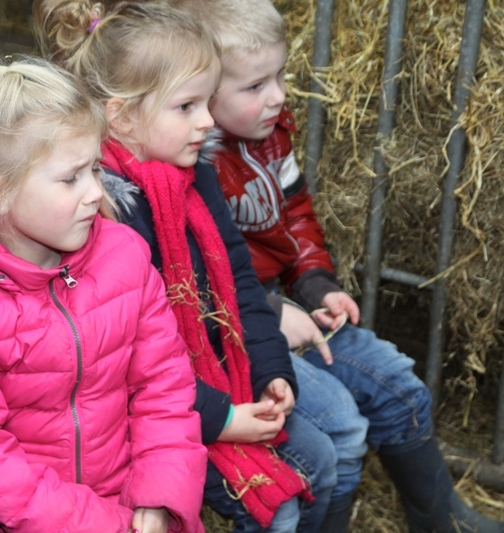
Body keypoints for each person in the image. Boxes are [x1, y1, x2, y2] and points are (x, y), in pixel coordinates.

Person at [175, 0, 504, 531]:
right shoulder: (193, 164)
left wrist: (315, 282)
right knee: (340, 431)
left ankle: (443, 521)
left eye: (280, 76)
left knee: (401, 387)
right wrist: (270, 310)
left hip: (279, 307)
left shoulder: (271, 137)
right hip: (243, 330)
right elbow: (203, 276)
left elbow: (295, 214)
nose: (278, 96)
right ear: (202, 91)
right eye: (255, 85)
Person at [33, 2, 370, 532]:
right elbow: (128, 363)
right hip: (164, 406)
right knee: (296, 486)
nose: (208, 122)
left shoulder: (197, 175)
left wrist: (271, 370)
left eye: (208, 103)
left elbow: (239, 281)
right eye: (187, 106)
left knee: (333, 448)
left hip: (220, 366)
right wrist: (222, 417)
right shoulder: (102, 213)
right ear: (122, 116)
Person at [0, 56, 207, 533]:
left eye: (94, 168)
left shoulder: (125, 258)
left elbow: (164, 388)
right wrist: (105, 524)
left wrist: (159, 494)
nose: (96, 192)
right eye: (71, 178)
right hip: (34, 520)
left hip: (134, 502)